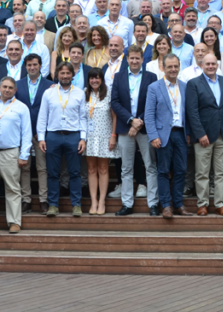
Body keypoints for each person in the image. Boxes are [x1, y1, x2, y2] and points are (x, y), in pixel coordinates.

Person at [111, 46, 160, 216]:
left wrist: (139, 122)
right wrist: (131, 121)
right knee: (126, 168)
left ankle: (153, 204)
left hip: (146, 128)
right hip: (126, 128)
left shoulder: (151, 77)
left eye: (137, 58)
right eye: (131, 58)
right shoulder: (119, 77)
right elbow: (115, 102)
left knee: (150, 166)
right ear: (127, 59)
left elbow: (153, 102)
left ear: (142, 59)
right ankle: (127, 204)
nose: (134, 61)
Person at [144, 54, 194, 218]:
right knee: (163, 171)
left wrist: (188, 133)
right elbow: (149, 115)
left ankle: (178, 204)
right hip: (162, 135)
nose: (173, 69)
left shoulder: (186, 86)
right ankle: (166, 206)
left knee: (181, 170)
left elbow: (189, 113)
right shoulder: (154, 87)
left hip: (180, 134)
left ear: (179, 67)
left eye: (175, 66)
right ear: (163, 68)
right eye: (170, 67)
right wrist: (153, 136)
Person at [0, 77, 31, 234]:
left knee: (12, 187)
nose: (7, 90)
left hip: (10, 152)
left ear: (15, 90)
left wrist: (24, 154)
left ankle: (14, 221)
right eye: (5, 87)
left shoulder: (21, 108)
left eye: (10, 88)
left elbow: (26, 132)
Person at [36, 63, 88, 218]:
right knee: (52, 172)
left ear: (72, 75)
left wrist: (83, 138)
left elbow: (83, 117)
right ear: (57, 75)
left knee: (75, 172)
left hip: (73, 136)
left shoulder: (79, 93)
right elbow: (42, 116)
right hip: (53, 135)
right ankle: (53, 205)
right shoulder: (48, 93)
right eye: (62, 73)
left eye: (68, 73)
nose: (65, 76)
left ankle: (76, 205)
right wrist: (41, 138)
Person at [185, 54, 223, 216]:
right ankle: (203, 204)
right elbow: (192, 111)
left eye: (213, 63)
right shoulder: (193, 84)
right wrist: (200, 133)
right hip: (203, 136)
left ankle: (220, 204)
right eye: (208, 64)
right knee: (202, 172)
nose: (211, 66)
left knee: (222, 172)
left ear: (217, 65)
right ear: (202, 65)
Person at [16, 54, 53, 214]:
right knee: (24, 167)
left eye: (35, 65)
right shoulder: (17, 85)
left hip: (41, 133)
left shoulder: (50, 85)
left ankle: (43, 200)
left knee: (42, 167)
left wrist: (43, 131)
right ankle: (26, 200)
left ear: (40, 66)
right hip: (22, 132)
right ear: (25, 66)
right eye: (29, 65)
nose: (32, 67)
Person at [79, 68, 117, 216]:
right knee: (91, 169)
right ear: (88, 80)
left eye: (97, 78)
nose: (94, 81)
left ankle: (102, 201)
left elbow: (114, 116)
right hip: (89, 137)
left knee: (103, 169)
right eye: (92, 78)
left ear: (102, 79)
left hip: (105, 135)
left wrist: (113, 135)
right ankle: (93, 201)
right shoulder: (84, 94)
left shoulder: (108, 93)